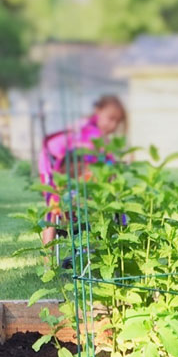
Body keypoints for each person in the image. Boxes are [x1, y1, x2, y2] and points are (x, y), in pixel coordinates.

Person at [38, 95, 127, 245]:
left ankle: (53, 262)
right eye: (110, 118)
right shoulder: (84, 131)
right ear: (97, 111)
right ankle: (49, 263)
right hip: (62, 179)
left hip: (83, 185)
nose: (113, 125)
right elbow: (58, 155)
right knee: (52, 211)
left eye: (117, 122)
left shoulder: (98, 137)